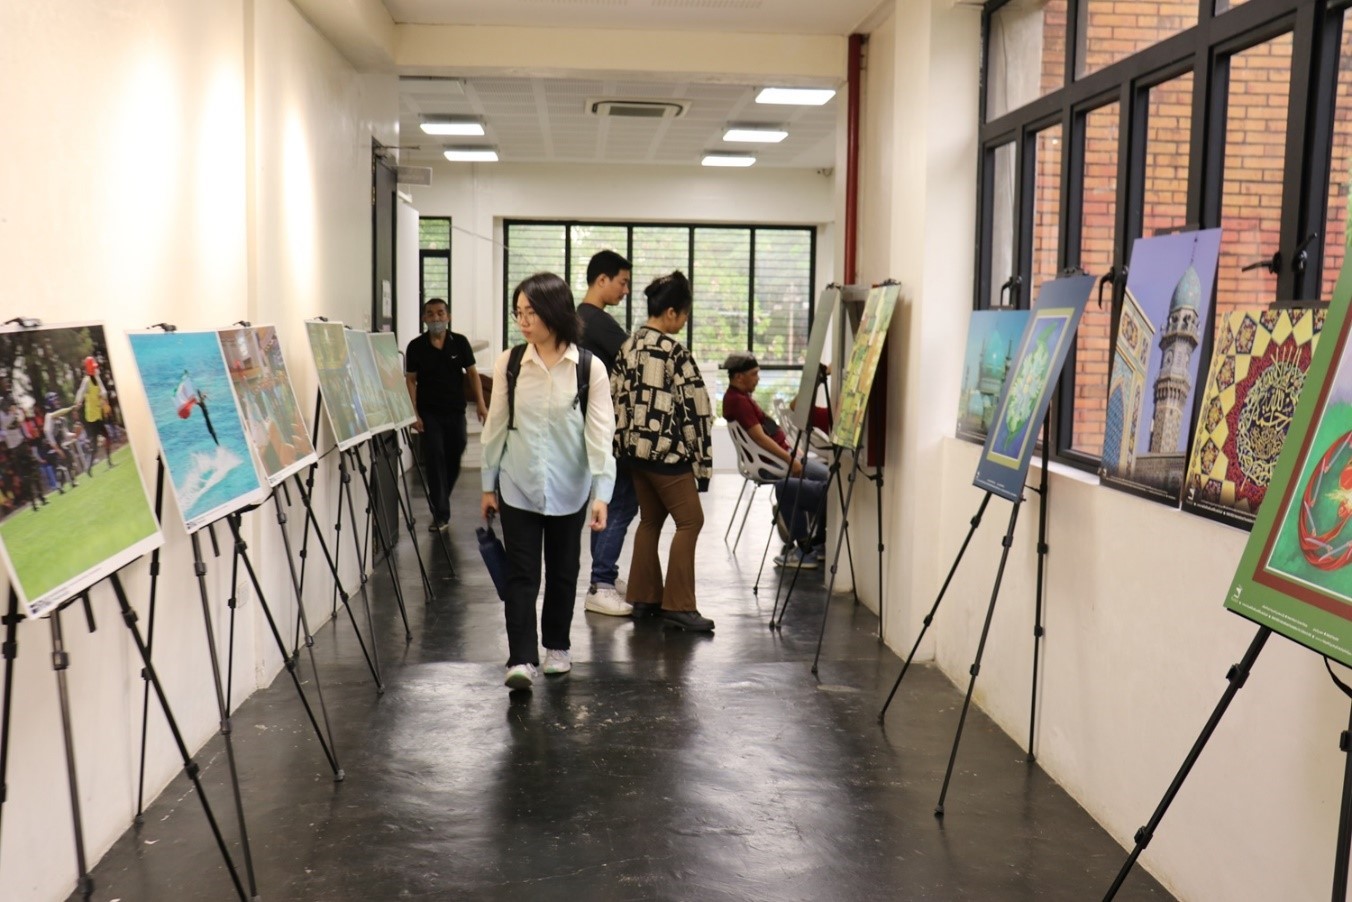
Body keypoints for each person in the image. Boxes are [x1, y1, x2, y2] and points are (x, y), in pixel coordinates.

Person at [481, 273, 616, 690]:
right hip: (517, 483)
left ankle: (557, 646)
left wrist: (602, 493)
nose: (523, 321)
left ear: (554, 313)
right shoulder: (510, 363)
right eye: (518, 313)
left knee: (563, 571)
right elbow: (496, 426)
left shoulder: (589, 369)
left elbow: (599, 433)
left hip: (569, 488)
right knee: (522, 574)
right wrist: (488, 485)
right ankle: (521, 658)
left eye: (531, 313)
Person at [611, 272, 715, 632]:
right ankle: (679, 605)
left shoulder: (630, 345)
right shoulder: (674, 351)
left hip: (634, 453)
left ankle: (644, 598)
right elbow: (696, 409)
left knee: (650, 520)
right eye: (684, 315)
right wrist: (701, 462)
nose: (684, 322)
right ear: (671, 312)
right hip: (668, 454)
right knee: (691, 521)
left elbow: (615, 397)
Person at [721, 351, 830, 569]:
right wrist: (791, 460)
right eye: (754, 374)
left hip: (778, 457)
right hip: (774, 462)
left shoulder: (740, 398)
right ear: (739, 377)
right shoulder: (738, 401)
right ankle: (807, 542)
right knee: (828, 480)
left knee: (826, 479)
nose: (758, 378)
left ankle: (809, 536)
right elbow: (760, 438)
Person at [576, 250, 639, 616]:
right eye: (622, 282)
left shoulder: (579, 319)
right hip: (608, 428)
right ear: (602, 280)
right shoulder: (596, 320)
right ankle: (600, 581)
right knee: (621, 502)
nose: (625, 289)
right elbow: (636, 359)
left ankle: (604, 576)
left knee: (607, 503)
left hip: (594, 425)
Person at [406, 298, 488, 531]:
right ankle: (441, 512)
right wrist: (413, 413)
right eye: (430, 314)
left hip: (455, 410)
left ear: (448, 316)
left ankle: (442, 497)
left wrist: (481, 404)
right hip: (429, 412)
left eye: (440, 313)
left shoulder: (459, 343)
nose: (436, 318)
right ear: (424, 319)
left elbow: (473, 375)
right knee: (435, 457)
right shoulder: (416, 346)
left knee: (456, 451)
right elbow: (410, 380)